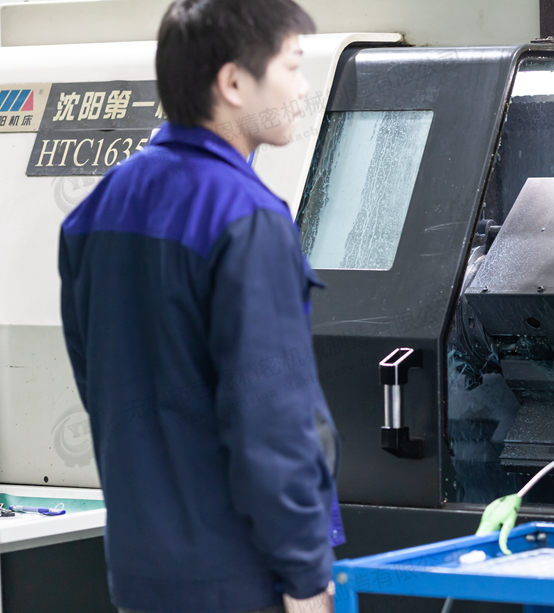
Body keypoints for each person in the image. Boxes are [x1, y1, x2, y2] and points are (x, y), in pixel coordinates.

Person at [58, 1, 342, 611]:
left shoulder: (97, 209)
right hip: (243, 575)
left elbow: (97, 384)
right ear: (233, 82)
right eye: (292, 67)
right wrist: (306, 575)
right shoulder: (248, 219)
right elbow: (270, 420)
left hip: (142, 572)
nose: (303, 89)